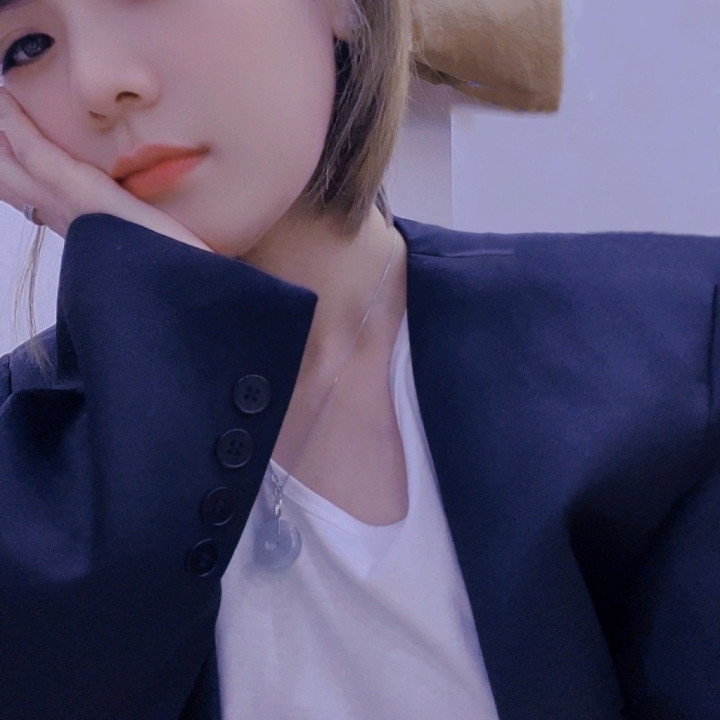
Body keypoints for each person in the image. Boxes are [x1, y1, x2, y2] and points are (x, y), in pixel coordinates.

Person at [0, 1, 718, 719]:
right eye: (25, 45)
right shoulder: (23, 464)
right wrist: (163, 312)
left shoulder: (679, 347)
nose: (98, 83)